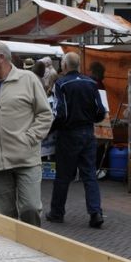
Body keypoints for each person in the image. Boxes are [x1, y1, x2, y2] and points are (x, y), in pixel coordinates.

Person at [0, 41, 52, 226]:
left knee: (31, 208)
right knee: (4, 217)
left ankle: (31, 243)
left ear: (1, 58)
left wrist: (29, 139)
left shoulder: (28, 80)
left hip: (26, 160)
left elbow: (45, 115)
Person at [46, 52, 107, 228]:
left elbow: (60, 112)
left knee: (63, 175)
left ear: (64, 66)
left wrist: (51, 130)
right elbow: (100, 110)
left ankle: (57, 212)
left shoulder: (61, 84)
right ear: (79, 65)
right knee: (89, 175)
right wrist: (91, 120)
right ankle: (95, 212)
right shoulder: (91, 83)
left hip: (68, 134)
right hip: (87, 132)